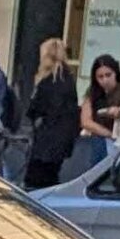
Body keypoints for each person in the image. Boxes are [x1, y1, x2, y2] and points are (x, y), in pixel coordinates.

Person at [24, 37, 81, 190]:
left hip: (46, 141)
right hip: (62, 141)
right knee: (51, 177)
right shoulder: (68, 80)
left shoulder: (47, 81)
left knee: (35, 181)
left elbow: (34, 109)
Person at [80, 53, 120, 169]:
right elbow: (85, 121)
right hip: (100, 141)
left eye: (108, 75)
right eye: (100, 77)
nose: (105, 80)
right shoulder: (92, 92)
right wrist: (109, 134)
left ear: (115, 73)